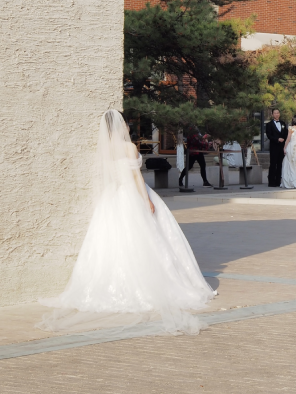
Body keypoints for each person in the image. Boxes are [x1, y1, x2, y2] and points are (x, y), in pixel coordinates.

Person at [39, 110, 217, 335]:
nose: (127, 125)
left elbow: (111, 177)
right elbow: (137, 177)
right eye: (124, 122)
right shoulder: (129, 148)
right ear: (119, 126)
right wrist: (146, 201)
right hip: (132, 195)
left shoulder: (107, 150)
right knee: (146, 241)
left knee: (112, 242)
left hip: (113, 197)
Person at [265, 109, 288, 187]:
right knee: (273, 164)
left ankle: (278, 181)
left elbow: (286, 133)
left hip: (281, 147)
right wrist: (277, 139)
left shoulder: (283, 123)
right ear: (272, 114)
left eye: (278, 113)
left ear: (279, 114)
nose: (276, 114)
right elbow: (269, 135)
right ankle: (271, 182)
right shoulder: (269, 124)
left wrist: (283, 139)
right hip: (274, 146)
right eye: (275, 113)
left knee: (280, 164)